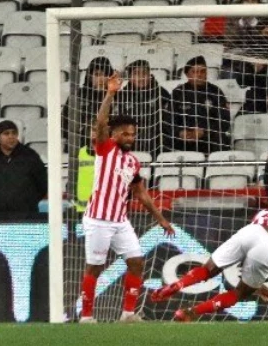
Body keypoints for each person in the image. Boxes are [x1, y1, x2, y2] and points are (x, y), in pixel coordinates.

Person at [78, 73, 176, 323]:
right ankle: (87, 316)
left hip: (120, 221)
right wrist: (110, 93)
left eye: (133, 134)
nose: (131, 138)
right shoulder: (105, 148)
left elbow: (141, 193)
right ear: (115, 134)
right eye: (126, 134)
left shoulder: (132, 161)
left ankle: (128, 314)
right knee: (95, 268)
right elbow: (101, 123)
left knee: (136, 262)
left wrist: (161, 219)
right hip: (98, 218)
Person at [149, 207, 268, 322]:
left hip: (251, 231)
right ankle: (190, 313)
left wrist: (256, 284)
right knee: (239, 293)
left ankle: (178, 284)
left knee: (208, 269)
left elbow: (249, 249)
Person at [0, 121, 48, 217]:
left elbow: (42, 183)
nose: (11, 136)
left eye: (14, 133)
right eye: (6, 133)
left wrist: (28, 202)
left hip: (28, 216)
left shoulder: (30, 156)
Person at [169, 55, 232, 154]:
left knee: (221, 139)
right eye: (194, 72)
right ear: (187, 74)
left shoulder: (215, 91)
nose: (199, 75)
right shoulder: (178, 93)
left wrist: (204, 131)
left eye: (202, 71)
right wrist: (180, 132)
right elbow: (169, 118)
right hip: (184, 138)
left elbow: (224, 120)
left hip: (208, 138)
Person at [115, 59, 169, 158]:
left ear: (149, 75)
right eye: (136, 73)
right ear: (130, 77)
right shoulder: (122, 96)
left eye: (144, 73)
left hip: (155, 139)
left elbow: (168, 119)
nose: (141, 77)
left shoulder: (161, 93)